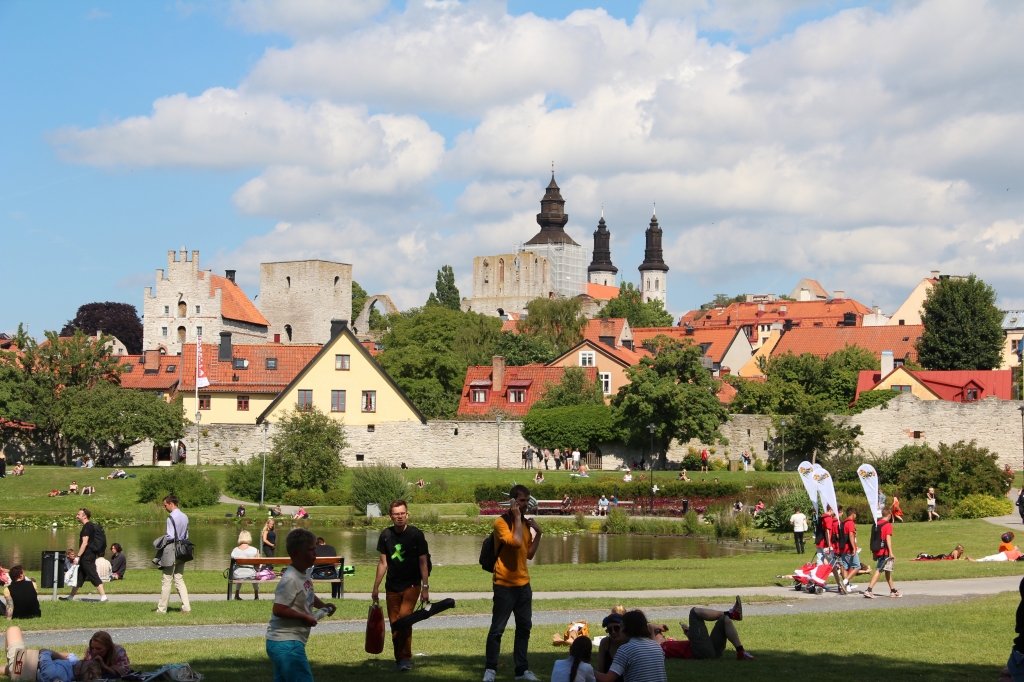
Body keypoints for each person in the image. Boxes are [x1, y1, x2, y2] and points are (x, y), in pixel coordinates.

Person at [484, 484, 543, 682]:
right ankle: (490, 670)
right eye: (521, 501)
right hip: (504, 584)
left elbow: (529, 554)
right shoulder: (501, 523)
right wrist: (518, 518)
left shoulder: (525, 524)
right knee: (497, 629)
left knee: (524, 627)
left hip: (524, 585)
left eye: (527, 500)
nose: (525, 504)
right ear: (512, 502)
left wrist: (538, 533)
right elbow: (516, 542)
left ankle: (521, 671)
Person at [265, 528, 337, 682]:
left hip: (287, 642)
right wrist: (302, 617)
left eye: (315, 549)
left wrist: (323, 605)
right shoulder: (290, 578)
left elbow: (308, 592)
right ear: (297, 553)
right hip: (286, 642)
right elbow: (279, 609)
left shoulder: (304, 573)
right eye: (310, 550)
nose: (315, 553)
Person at [372, 500, 430, 672]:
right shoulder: (385, 535)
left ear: (407, 514)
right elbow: (383, 563)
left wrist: (425, 587)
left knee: (404, 619)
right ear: (390, 516)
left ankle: (405, 659)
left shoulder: (416, 535)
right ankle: (400, 660)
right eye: (396, 514)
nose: (400, 517)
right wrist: (376, 587)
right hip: (392, 587)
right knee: (395, 624)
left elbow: (423, 562)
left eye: (402, 513)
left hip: (412, 585)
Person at [653, 597, 754, 661]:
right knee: (694, 612)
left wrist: (690, 634)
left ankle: (741, 652)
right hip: (700, 652)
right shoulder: (656, 648)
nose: (662, 633)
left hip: (707, 650)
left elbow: (685, 649)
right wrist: (657, 626)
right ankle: (731, 614)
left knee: (724, 620)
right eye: (658, 632)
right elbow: (644, 627)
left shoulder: (668, 644)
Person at [0, 626, 103, 682]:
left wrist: (62, 657)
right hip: (31, 664)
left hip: (22, 669)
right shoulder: (75, 666)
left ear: (77, 672)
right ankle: (10, 668)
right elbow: (69, 654)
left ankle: (12, 669)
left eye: (83, 662)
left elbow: (44, 651)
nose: (82, 659)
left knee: (13, 630)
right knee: (8, 667)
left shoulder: (53, 673)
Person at [594, 610, 667, 682]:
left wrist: (587, 669)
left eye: (621, 627)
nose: (620, 631)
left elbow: (607, 679)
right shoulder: (656, 646)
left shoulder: (625, 649)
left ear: (627, 629)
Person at [155, 494, 191, 614]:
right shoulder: (185, 516)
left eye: (165, 505)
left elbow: (170, 536)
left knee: (166, 579)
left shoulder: (170, 518)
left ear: (171, 504)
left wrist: (160, 541)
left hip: (172, 550)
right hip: (183, 549)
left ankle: (161, 609)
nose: (164, 508)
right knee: (179, 578)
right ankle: (186, 607)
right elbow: (186, 536)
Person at [62, 508, 107, 602]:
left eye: (78, 514)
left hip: (87, 556)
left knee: (92, 574)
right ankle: (70, 596)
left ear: (84, 516)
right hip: (87, 555)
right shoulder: (90, 526)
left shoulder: (87, 527)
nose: (76, 516)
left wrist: (78, 556)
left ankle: (103, 596)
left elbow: (85, 543)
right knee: (80, 576)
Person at [863, 506, 899, 598]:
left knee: (887, 570)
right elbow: (888, 539)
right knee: (879, 570)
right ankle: (869, 589)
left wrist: (874, 553)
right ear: (889, 515)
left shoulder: (876, 524)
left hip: (877, 550)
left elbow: (873, 539)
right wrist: (891, 552)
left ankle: (892, 590)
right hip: (884, 551)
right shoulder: (887, 525)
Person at [232, 530, 261, 601]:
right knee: (255, 572)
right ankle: (256, 596)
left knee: (240, 571)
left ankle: (236, 594)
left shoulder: (235, 550)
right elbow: (257, 566)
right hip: (251, 574)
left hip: (237, 574)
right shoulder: (254, 550)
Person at [839, 508, 861, 591]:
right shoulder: (850, 523)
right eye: (855, 514)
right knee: (857, 566)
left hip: (843, 548)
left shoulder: (843, 523)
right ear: (853, 514)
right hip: (849, 548)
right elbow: (851, 535)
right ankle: (845, 581)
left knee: (845, 567)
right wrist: (854, 548)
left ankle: (847, 587)